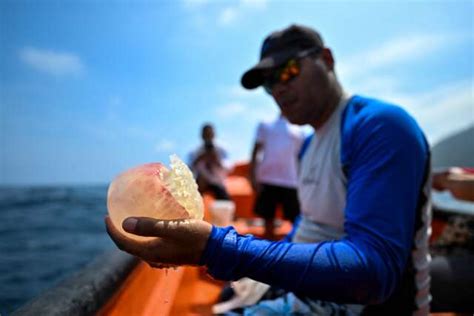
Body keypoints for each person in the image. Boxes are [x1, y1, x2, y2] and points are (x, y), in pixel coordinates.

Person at [106, 24, 431, 315]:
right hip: (309, 288)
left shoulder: (379, 127)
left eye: (287, 71)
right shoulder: (307, 146)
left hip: (360, 304)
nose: (278, 89)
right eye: (269, 84)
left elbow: (375, 274)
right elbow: (310, 225)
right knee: (231, 293)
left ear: (327, 60)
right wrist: (251, 271)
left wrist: (220, 249)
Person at [250, 113, 305, 239]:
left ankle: (295, 251)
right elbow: (255, 150)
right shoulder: (265, 125)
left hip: (291, 180)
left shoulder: (300, 131)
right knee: (268, 220)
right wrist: (252, 176)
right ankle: (268, 253)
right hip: (267, 179)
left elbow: (301, 157)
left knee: (295, 219)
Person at [188, 123, 231, 200]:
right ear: (202, 135)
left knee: (226, 203)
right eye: (206, 134)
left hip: (218, 183)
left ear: (214, 134)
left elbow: (229, 168)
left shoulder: (221, 150)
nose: (208, 136)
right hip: (200, 184)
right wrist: (198, 159)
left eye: (210, 134)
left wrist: (217, 161)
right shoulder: (195, 152)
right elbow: (189, 170)